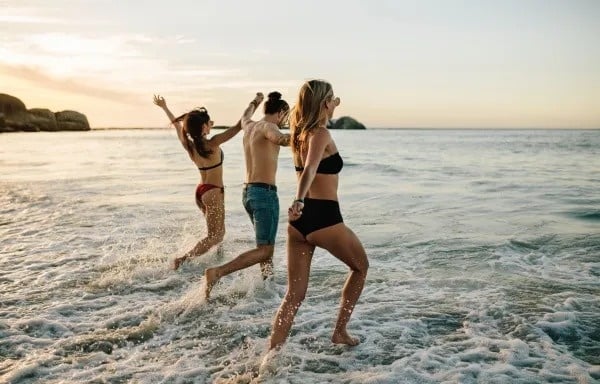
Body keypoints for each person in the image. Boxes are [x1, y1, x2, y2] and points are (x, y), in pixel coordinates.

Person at [268, 80, 369, 349]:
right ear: (324, 103)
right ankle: (340, 332)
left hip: (299, 224)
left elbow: (308, 164)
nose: (335, 103)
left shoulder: (299, 135)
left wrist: (332, 104)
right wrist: (299, 199)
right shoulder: (321, 134)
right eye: (332, 100)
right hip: (325, 218)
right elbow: (312, 169)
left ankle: (271, 354)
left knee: (294, 295)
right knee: (360, 268)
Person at [204, 91, 291, 298]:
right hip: (264, 194)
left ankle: (268, 286)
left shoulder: (249, 125)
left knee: (264, 246)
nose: (285, 120)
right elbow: (280, 139)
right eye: (285, 116)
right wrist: (304, 133)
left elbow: (245, 114)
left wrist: (255, 101)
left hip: (248, 193)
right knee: (265, 250)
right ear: (280, 113)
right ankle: (217, 272)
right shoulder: (269, 127)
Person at [153, 94, 247, 270]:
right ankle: (182, 260)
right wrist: (254, 104)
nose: (211, 124)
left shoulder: (189, 146)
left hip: (201, 192)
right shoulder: (213, 143)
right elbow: (237, 127)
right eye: (209, 122)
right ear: (203, 127)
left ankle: (217, 259)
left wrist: (164, 107)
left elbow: (176, 125)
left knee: (217, 233)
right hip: (213, 192)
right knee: (216, 236)